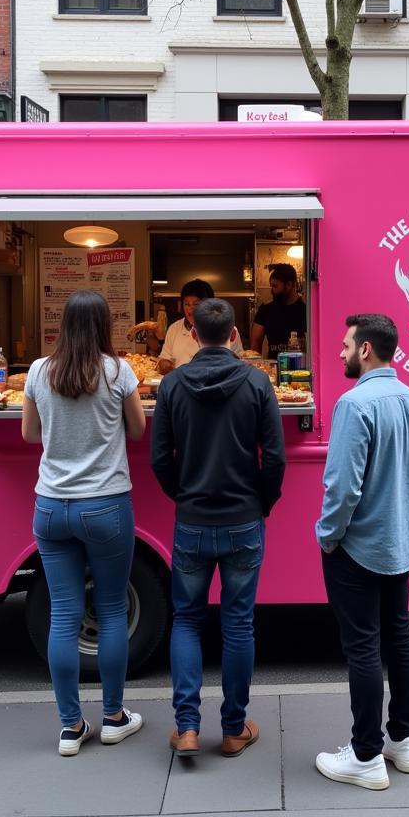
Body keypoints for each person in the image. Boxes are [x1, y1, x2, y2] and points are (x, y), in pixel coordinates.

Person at [150, 298, 285, 759]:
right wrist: (262, 502)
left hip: (192, 520)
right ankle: (232, 729)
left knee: (186, 619)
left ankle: (187, 728)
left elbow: (159, 458)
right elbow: (275, 456)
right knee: (238, 623)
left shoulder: (171, 384)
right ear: (232, 336)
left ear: (194, 333)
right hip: (243, 519)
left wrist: (182, 496)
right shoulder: (257, 382)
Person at [22, 289, 147, 757]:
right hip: (106, 505)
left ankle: (71, 726)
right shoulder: (118, 371)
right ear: (103, 326)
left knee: (64, 613)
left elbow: (30, 433)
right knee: (113, 608)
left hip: (52, 507)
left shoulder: (38, 370)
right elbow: (137, 430)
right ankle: (114, 717)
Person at [314, 314, 409, 790]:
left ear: (365, 350)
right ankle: (401, 741)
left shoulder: (354, 403)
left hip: (358, 544)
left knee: (362, 646)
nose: (341, 352)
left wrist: (328, 534)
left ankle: (365, 755)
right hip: (400, 541)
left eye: (345, 345)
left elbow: (342, 485)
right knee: (399, 637)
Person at [158, 279, 243, 374]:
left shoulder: (226, 327)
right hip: (182, 383)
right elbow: (164, 358)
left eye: (196, 304)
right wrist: (165, 365)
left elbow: (239, 361)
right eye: (187, 304)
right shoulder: (174, 328)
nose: (190, 309)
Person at [250, 264, 306, 358]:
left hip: (299, 369)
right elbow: (256, 341)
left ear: (289, 284)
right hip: (273, 369)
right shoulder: (266, 309)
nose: (272, 290)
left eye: (275, 286)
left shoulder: (305, 310)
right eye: (271, 286)